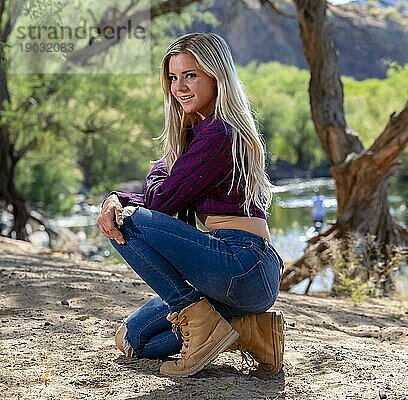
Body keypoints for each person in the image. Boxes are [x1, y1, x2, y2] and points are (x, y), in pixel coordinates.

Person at [96, 32, 284, 377]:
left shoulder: (219, 133)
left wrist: (119, 197)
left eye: (190, 75)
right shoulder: (202, 132)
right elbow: (167, 198)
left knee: (126, 219)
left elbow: (161, 203)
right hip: (235, 277)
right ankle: (251, 332)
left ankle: (198, 318)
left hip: (241, 263)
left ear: (216, 75)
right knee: (134, 339)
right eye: (172, 77)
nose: (179, 87)